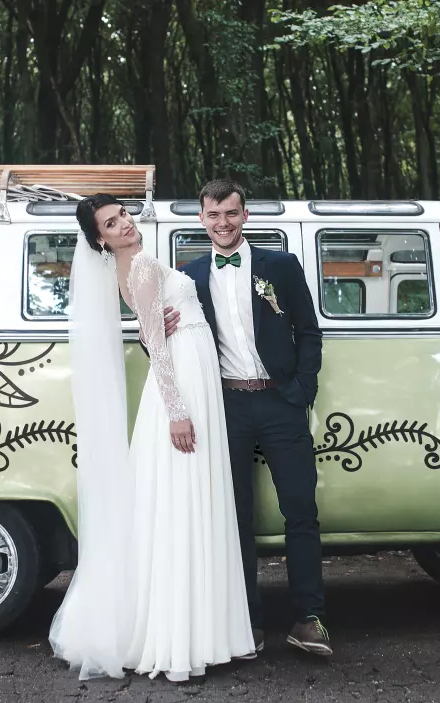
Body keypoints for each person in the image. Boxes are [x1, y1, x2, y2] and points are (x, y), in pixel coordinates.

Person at [49, 194, 255, 682]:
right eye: (110, 224)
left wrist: (152, 336)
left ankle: (197, 632)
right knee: (184, 504)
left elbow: (152, 331)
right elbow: (158, 347)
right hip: (182, 384)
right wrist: (177, 412)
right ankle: (181, 638)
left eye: (122, 214)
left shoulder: (136, 263)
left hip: (193, 374)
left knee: (187, 503)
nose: (124, 224)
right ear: (100, 240)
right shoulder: (139, 266)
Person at [169, 179, 331, 656]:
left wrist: (302, 390)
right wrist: (150, 330)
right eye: (214, 215)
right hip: (226, 408)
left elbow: (309, 331)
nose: (223, 223)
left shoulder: (280, 266)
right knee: (234, 516)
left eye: (231, 213)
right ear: (201, 219)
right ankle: (246, 624)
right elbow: (165, 341)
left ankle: (309, 619)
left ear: (245, 215)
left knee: (300, 511)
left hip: (281, 402)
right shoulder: (188, 276)